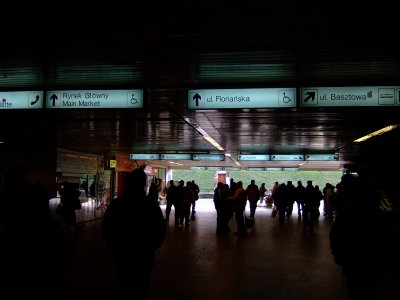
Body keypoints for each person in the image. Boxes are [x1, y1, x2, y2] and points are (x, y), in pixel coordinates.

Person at [329, 170, 397, 300]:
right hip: (374, 257)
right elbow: (389, 227)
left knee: (354, 289)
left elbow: (336, 234)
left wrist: (339, 256)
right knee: (370, 289)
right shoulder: (380, 208)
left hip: (352, 259)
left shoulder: (348, 212)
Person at [101, 165, 166, 300]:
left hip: (122, 253)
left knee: (124, 285)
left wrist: (115, 248)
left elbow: (107, 229)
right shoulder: (150, 206)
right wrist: (150, 247)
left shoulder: (117, 205)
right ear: (143, 184)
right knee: (142, 286)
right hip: (144, 254)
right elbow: (160, 231)